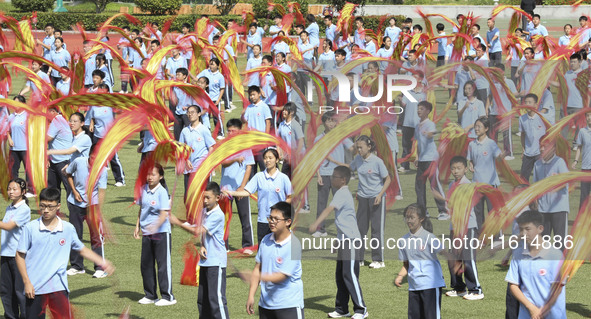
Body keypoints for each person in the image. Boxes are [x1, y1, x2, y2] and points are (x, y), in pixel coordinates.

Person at [16, 188, 114, 319]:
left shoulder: (68, 228)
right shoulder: (31, 228)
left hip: (58, 287)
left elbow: (82, 249)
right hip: (35, 287)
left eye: (50, 207)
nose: (45, 210)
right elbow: (19, 255)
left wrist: (102, 261)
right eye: (43, 206)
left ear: (58, 206)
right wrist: (27, 282)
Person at [309, 166, 368, 319]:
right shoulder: (340, 193)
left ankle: (361, 309)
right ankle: (342, 309)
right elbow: (342, 222)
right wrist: (337, 242)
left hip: (351, 241)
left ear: (343, 180)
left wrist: (316, 223)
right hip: (344, 241)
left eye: (334, 176)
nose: (331, 178)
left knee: (350, 275)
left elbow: (329, 210)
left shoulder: (342, 193)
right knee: (340, 276)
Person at [246, 202, 304, 318]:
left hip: (288, 306)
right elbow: (258, 268)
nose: (271, 222)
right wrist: (251, 295)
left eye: (276, 219)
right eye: (270, 218)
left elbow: (281, 276)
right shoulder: (265, 240)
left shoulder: (294, 245)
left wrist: (258, 277)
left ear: (288, 222)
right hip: (265, 306)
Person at [505, 210, 566, 319]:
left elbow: (557, 288)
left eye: (528, 229)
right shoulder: (518, 254)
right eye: (521, 229)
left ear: (540, 229)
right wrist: (531, 308)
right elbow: (513, 285)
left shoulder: (555, 255)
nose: (524, 233)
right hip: (527, 314)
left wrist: (542, 311)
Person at [223, 148, 292, 243]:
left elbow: (290, 197)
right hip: (263, 220)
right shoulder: (259, 177)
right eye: (265, 158)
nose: (267, 160)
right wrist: (230, 192)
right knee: (263, 250)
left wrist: (280, 209)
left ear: (276, 160)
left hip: (279, 221)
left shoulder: (283, 178)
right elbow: (247, 192)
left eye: (270, 158)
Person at [442, 156, 484, 301]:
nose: (455, 171)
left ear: (466, 169)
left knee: (468, 258)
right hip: (455, 227)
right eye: (453, 168)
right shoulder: (451, 185)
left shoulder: (468, 185)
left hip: (468, 227)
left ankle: (476, 289)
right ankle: (459, 287)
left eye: (459, 168)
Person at [134, 164, 176, 306]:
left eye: (153, 174)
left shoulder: (162, 192)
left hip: (161, 232)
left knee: (163, 264)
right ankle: (150, 295)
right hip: (147, 232)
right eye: (148, 174)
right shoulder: (143, 190)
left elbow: (164, 213)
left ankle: (168, 296)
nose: (150, 177)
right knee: (146, 264)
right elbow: (142, 208)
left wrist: (155, 226)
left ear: (161, 176)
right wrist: (137, 226)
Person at [395, 204, 445, 319]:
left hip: (431, 284)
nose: (409, 220)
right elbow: (407, 264)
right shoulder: (403, 241)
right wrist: (400, 276)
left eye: (412, 217)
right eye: (407, 217)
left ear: (421, 219)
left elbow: (444, 252)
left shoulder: (429, 237)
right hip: (414, 286)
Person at [64, 149, 108, 278]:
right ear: (89, 156)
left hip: (92, 205)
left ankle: (100, 267)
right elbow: (68, 174)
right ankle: (77, 266)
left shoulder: (103, 170)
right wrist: (74, 191)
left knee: (95, 236)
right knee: (75, 235)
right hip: (75, 203)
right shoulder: (78, 161)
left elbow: (101, 191)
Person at [350, 135, 391, 268]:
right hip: (362, 197)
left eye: (361, 147)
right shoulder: (357, 159)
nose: (359, 150)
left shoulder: (377, 161)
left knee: (376, 229)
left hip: (376, 198)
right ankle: (359, 258)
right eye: (358, 147)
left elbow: (388, 179)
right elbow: (348, 168)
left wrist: (380, 195)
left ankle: (378, 260)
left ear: (369, 147)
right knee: (360, 229)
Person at [191, 182, 230, 318]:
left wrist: (176, 222)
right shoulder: (204, 211)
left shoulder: (217, 215)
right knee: (203, 301)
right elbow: (204, 234)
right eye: (204, 197)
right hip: (205, 262)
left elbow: (199, 230)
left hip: (216, 263)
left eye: (208, 198)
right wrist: (202, 245)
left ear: (217, 198)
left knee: (216, 300)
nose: (205, 200)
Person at [220, 119, 255, 252]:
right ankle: (224, 246)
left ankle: (247, 246)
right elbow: (223, 163)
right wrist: (234, 159)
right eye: (228, 130)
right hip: (225, 189)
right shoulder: (224, 145)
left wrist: (242, 186)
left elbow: (249, 167)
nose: (230, 133)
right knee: (224, 218)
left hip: (240, 189)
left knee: (245, 217)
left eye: (233, 131)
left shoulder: (244, 146)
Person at [1, 179, 31, 319]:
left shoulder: (24, 209)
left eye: (14, 189)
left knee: (20, 291)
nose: (11, 192)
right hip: (5, 253)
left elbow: (8, 226)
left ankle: (25, 316)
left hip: (18, 255)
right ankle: (10, 316)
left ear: (23, 192)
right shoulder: (9, 208)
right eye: (9, 189)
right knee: (6, 290)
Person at [467, 116, 503, 229]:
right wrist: (471, 165)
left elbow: (499, 158)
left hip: (490, 183)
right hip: (477, 184)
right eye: (475, 126)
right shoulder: (472, 145)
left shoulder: (491, 144)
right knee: (478, 212)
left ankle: (496, 237)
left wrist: (503, 156)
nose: (476, 129)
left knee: (492, 211)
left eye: (479, 127)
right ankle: (480, 236)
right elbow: (471, 160)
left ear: (486, 128)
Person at [414, 101, 448, 220]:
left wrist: (429, 134)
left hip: (431, 159)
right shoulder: (417, 126)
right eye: (418, 108)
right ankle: (423, 211)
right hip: (422, 160)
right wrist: (417, 157)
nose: (419, 111)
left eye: (422, 109)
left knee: (434, 185)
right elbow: (418, 143)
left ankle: (444, 210)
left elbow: (432, 132)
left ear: (428, 111)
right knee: (419, 186)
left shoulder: (430, 124)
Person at [88, 84, 126, 187]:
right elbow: (92, 116)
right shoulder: (95, 105)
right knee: (96, 156)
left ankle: (120, 179)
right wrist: (92, 124)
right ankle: (97, 177)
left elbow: (121, 110)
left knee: (113, 158)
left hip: (109, 136)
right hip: (97, 134)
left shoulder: (111, 104)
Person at [533, 138, 569, 243]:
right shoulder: (537, 164)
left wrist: (558, 180)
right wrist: (535, 202)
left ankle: (561, 259)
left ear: (553, 148)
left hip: (559, 209)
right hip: (543, 210)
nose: (542, 148)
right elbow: (535, 186)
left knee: (560, 242)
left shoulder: (559, 162)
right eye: (540, 145)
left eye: (545, 146)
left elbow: (567, 181)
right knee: (543, 242)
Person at [179, 105, 216, 199]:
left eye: (192, 112)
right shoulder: (184, 131)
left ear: (199, 114)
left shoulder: (204, 130)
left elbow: (211, 146)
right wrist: (186, 160)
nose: (190, 114)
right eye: (188, 112)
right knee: (188, 197)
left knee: (202, 196)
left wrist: (208, 163)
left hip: (201, 169)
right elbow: (181, 148)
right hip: (188, 169)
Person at [8, 96, 33, 197]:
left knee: (28, 169)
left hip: (26, 148)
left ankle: (30, 189)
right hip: (14, 148)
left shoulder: (28, 116)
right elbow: (7, 130)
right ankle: (15, 188)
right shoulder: (11, 116)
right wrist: (9, 139)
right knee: (14, 169)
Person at [518, 94, 546, 182]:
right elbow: (522, 134)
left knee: (541, 178)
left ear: (536, 104)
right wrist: (523, 149)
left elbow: (549, 133)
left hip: (540, 153)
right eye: (526, 102)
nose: (527, 104)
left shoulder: (542, 117)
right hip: (528, 153)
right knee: (523, 179)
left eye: (530, 102)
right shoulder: (522, 119)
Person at [47, 106, 73, 196]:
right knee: (53, 189)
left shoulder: (56, 121)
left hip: (62, 160)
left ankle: (75, 209)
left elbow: (47, 138)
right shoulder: (61, 119)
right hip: (55, 160)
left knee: (68, 187)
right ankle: (54, 209)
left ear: (53, 111)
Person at [197, 58, 226, 139]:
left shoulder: (220, 76)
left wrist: (218, 99)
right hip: (205, 99)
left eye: (213, 64)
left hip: (214, 99)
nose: (211, 66)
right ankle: (205, 132)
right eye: (210, 64)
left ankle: (220, 133)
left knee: (217, 117)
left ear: (217, 66)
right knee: (206, 116)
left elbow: (222, 88)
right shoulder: (205, 72)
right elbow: (197, 79)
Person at [573, 111, 591, 210]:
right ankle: (581, 216)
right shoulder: (582, 132)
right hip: (586, 168)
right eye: (587, 115)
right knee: (584, 194)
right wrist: (576, 160)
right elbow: (579, 147)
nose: (589, 117)